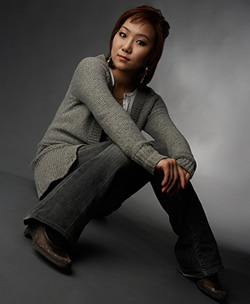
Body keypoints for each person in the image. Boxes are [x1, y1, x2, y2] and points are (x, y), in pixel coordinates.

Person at [24, 5, 227, 302]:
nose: (126, 46)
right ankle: (48, 226)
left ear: (151, 57)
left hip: (99, 192)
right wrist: (157, 161)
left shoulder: (149, 101)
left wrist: (179, 166)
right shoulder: (90, 69)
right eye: (123, 34)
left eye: (141, 42)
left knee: (161, 155)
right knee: (132, 147)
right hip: (59, 166)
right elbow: (115, 122)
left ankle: (200, 261)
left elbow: (176, 142)